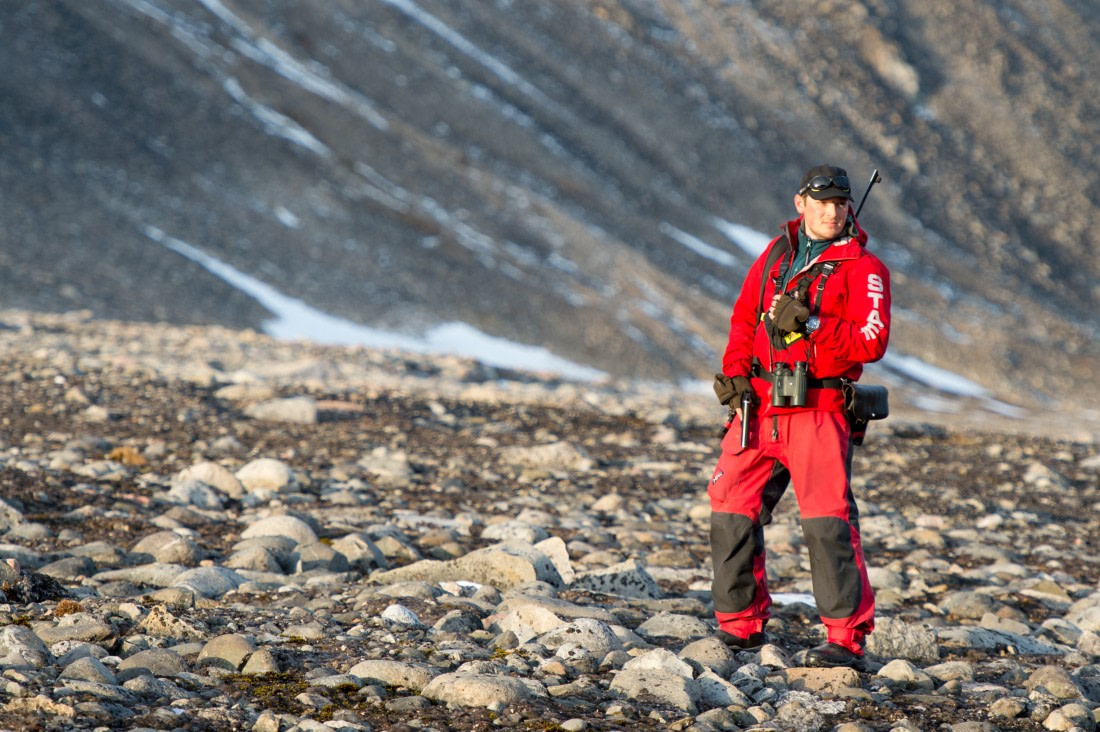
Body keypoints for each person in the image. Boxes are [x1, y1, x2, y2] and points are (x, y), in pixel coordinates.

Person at [708, 164, 890, 671]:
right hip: (759, 406)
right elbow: (745, 317)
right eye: (823, 202)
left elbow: (870, 343)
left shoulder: (866, 268)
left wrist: (811, 323)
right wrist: (735, 374)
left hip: (819, 408)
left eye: (840, 202)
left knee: (826, 519)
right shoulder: (774, 256)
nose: (832, 211)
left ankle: (844, 638)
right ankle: (739, 627)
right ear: (800, 203)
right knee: (729, 505)